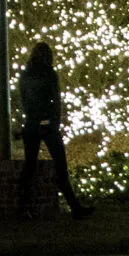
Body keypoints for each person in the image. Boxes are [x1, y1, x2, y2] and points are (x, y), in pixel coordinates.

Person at [17, 42, 91, 219]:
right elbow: (56, 101)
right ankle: (75, 207)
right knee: (60, 165)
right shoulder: (50, 74)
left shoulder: (25, 75)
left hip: (31, 124)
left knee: (29, 167)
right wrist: (55, 121)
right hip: (48, 125)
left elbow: (23, 101)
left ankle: (23, 208)